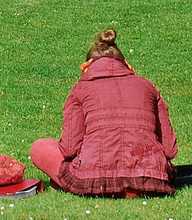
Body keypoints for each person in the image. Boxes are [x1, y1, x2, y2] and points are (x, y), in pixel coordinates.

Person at [29, 28, 178, 197]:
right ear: (125, 64)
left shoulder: (81, 89)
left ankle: (63, 184)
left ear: (88, 67)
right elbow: (170, 150)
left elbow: (69, 149)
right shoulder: (147, 86)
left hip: (95, 183)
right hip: (149, 182)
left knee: (40, 146)